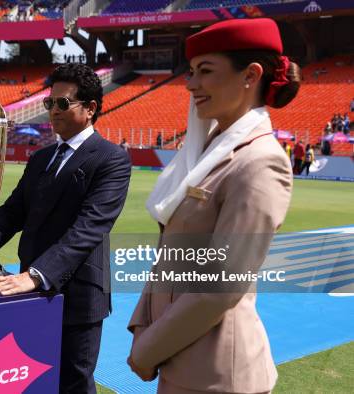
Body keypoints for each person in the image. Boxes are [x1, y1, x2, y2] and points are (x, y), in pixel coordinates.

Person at [128, 18, 299, 393]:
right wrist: (142, 326)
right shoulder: (207, 153)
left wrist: (148, 349)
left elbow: (222, 285)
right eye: (191, 72)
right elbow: (169, 255)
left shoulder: (259, 161)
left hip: (218, 374)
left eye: (204, 71)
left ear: (250, 76)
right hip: (180, 358)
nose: (190, 85)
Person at [0, 63, 132, 393]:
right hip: (30, 291)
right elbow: (12, 213)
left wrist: (36, 275)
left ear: (90, 108)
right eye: (50, 103)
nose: (52, 111)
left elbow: (88, 228)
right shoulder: (41, 158)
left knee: (73, 384)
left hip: (76, 298)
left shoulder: (111, 160)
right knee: (32, 378)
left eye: (62, 104)